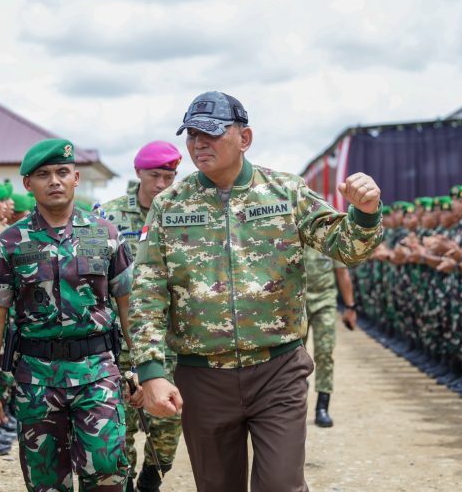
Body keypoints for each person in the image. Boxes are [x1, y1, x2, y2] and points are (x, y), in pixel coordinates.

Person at [128, 91, 382, 492]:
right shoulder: (170, 205)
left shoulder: (286, 193)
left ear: (244, 139)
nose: (198, 144)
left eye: (210, 133)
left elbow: (347, 247)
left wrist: (365, 213)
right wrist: (152, 370)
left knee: (281, 485)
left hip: (277, 371)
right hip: (203, 375)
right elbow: (147, 291)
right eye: (192, 135)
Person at [0, 139, 133, 492]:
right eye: (43, 174)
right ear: (28, 185)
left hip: (97, 372)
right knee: (46, 481)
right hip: (37, 378)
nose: (55, 181)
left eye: (62, 172)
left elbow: (127, 304)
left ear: (76, 177)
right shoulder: (9, 244)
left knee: (107, 469)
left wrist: (139, 367)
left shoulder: (106, 235)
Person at [100, 141, 183, 492]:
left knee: (166, 428)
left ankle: (152, 476)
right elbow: (91, 277)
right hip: (119, 340)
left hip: (169, 341)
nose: (162, 184)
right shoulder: (107, 216)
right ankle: (127, 484)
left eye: (169, 176)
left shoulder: (184, 212)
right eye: (155, 176)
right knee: (121, 425)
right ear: (138, 173)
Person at [303, 245, 356, 428]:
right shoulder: (291, 235)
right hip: (296, 304)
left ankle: (322, 407)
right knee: (293, 358)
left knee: (325, 353)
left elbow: (342, 273)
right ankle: (295, 402)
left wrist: (350, 307)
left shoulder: (328, 240)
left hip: (324, 303)